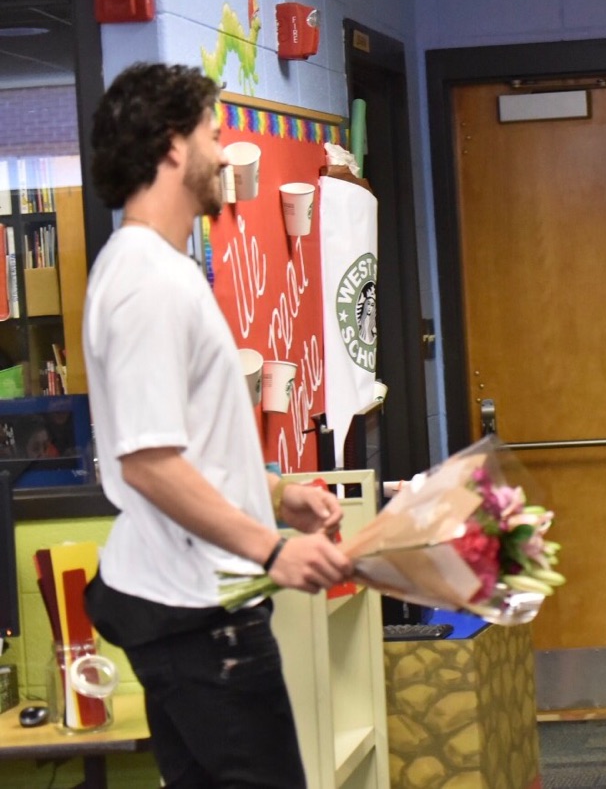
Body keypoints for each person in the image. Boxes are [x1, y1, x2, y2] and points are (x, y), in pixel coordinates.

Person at [82, 63, 354, 788]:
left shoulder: (151, 269)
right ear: (172, 146)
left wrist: (273, 491)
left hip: (194, 611)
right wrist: (272, 548)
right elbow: (147, 462)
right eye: (211, 131)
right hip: (203, 620)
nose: (221, 148)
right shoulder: (148, 282)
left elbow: (186, 448)